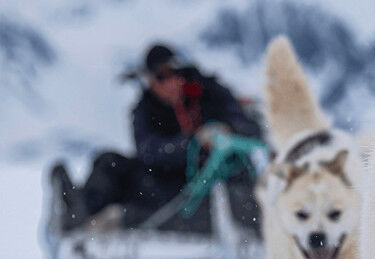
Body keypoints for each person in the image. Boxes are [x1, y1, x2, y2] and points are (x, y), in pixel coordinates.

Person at [49, 43, 263, 235]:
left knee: (219, 197)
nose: (170, 82)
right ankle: (76, 212)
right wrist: (191, 144)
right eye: (161, 77)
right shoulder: (145, 109)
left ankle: (121, 219)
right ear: (150, 80)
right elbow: (148, 151)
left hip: (214, 185)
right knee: (109, 162)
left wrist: (225, 131)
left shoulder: (210, 93)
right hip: (163, 182)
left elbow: (250, 127)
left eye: (174, 74)